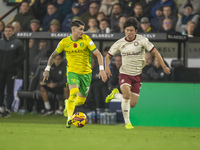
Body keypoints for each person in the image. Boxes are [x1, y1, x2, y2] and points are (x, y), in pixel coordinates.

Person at [104, 17, 170, 129]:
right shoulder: (120, 43)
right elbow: (108, 56)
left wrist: (163, 66)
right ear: (124, 30)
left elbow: (155, 52)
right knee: (126, 96)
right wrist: (107, 68)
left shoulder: (142, 40)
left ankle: (115, 94)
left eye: (131, 30)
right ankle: (127, 123)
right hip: (124, 73)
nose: (129, 33)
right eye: (127, 30)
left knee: (132, 104)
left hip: (137, 75)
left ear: (136, 31)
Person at [43, 20, 107, 128]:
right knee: (73, 92)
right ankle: (69, 119)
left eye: (83, 29)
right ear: (73, 29)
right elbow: (53, 55)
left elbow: (99, 54)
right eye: (81, 29)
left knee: (81, 101)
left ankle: (68, 104)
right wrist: (47, 69)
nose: (83, 31)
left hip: (86, 73)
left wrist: (101, 69)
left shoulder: (87, 40)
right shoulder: (64, 42)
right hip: (72, 72)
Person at [0, 25, 24, 117]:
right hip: (1, 71)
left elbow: (22, 56)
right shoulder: (1, 42)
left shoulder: (18, 43)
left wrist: (13, 64)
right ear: (4, 32)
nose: (7, 32)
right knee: (0, 89)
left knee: (10, 90)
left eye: (9, 31)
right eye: (6, 31)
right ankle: (1, 107)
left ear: (13, 32)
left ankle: (8, 109)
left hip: (11, 71)